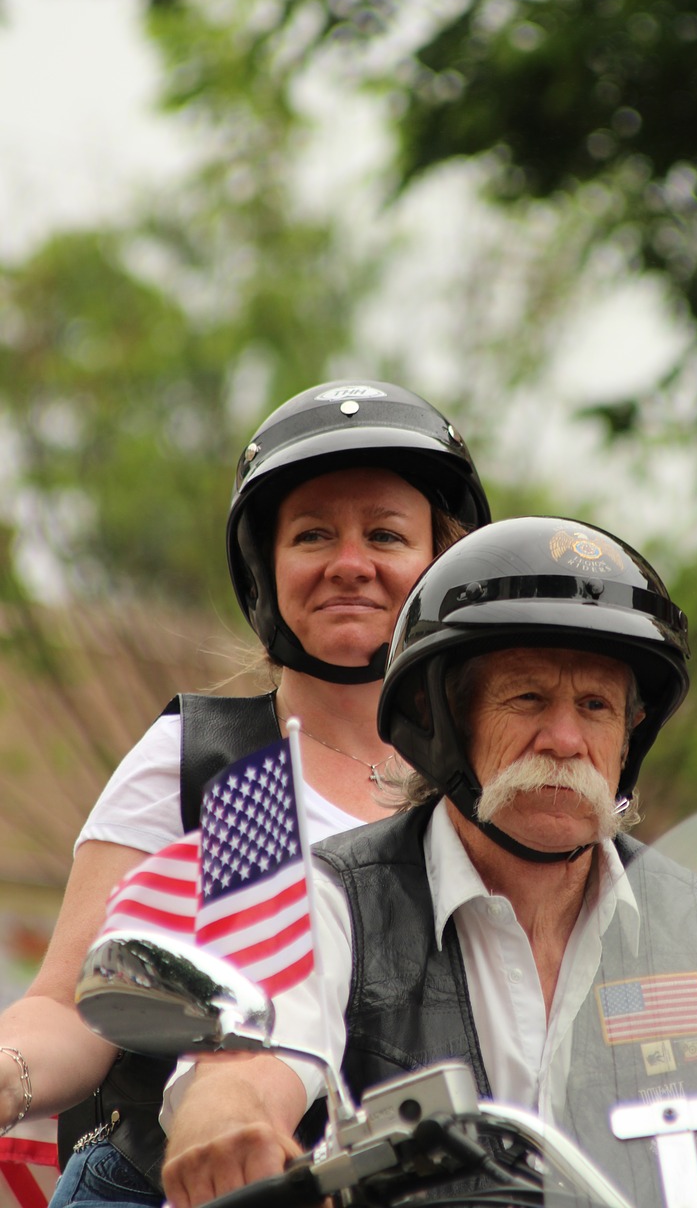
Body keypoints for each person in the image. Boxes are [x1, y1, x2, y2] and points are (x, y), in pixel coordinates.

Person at [160, 515, 697, 1208]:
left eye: (594, 705)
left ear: (626, 738)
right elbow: (249, 1059)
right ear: (443, 720)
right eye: (528, 697)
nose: (564, 738)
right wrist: (232, 1122)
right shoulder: (330, 899)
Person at [0, 379, 490, 1206]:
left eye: (385, 533)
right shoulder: (207, 761)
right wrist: (8, 1073)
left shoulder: (487, 781)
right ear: (265, 569)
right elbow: (72, 1006)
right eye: (311, 534)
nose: (349, 563)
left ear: (442, 563)